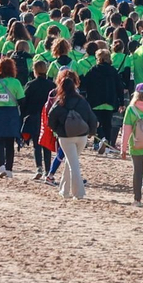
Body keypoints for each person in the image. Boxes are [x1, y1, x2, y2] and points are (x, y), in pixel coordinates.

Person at [49, 69, 95, 200]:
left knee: (72, 164)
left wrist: (58, 130)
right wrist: (91, 132)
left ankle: (78, 193)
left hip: (65, 137)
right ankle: (64, 190)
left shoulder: (59, 102)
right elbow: (91, 117)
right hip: (82, 136)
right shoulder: (82, 100)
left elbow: (51, 118)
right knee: (71, 162)